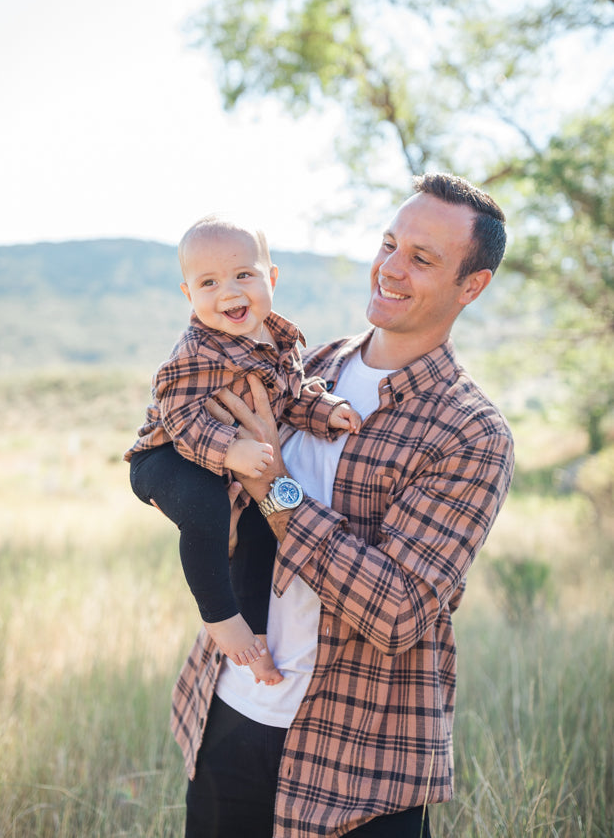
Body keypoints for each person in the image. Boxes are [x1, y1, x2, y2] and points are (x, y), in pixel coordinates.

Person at [170, 173, 515, 838]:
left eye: (422, 258)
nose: (390, 268)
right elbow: (208, 501)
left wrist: (276, 489)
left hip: (356, 764)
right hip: (228, 719)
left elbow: (397, 611)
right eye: (390, 243)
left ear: (471, 286)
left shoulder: (470, 433)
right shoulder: (302, 368)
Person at [125, 214, 361, 686]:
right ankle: (220, 619)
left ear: (271, 278)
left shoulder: (281, 341)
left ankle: (257, 650)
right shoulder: (195, 350)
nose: (229, 292)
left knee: (259, 536)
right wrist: (231, 450)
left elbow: (291, 395)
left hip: (225, 467)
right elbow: (178, 416)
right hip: (165, 457)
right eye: (209, 282)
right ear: (189, 295)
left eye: (243, 275)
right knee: (204, 503)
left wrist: (324, 410)